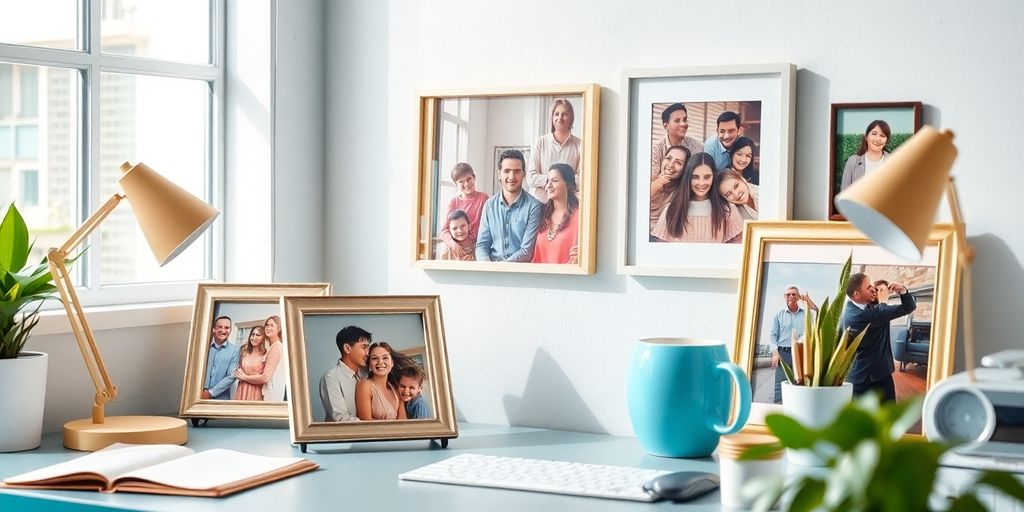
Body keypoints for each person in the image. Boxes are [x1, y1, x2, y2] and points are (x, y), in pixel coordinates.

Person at [842, 273, 916, 401]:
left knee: (890, 415)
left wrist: (902, 290)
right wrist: (883, 300)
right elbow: (880, 312)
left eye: (874, 287)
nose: (873, 289)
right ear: (857, 295)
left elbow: (909, 307)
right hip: (860, 377)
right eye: (869, 287)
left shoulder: (875, 308)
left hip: (882, 374)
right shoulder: (855, 315)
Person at [651, 152, 744, 243]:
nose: (701, 183)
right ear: (688, 178)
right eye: (695, 177)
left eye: (707, 177)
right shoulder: (671, 210)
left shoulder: (727, 209)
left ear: (713, 177)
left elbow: (738, 247)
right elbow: (662, 251)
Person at [476, 148, 544, 262]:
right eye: (507, 171)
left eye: (517, 171)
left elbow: (527, 252)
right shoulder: (489, 205)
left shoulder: (534, 207)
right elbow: (482, 245)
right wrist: (487, 268)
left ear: (524, 174)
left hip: (519, 274)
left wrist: (499, 269)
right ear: (499, 174)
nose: (511, 177)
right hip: (490, 271)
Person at [768, 286, 817, 404]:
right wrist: (775, 353)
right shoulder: (778, 315)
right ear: (785, 297)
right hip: (783, 354)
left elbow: (819, 314)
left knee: (801, 386)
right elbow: (773, 336)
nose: (791, 296)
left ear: (799, 297)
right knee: (780, 388)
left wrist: (808, 302)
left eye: (794, 294)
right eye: (788, 294)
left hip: (801, 353)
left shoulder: (807, 314)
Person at [528, 98, 582, 202]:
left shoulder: (580, 145)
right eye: (556, 114)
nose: (560, 118)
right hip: (540, 204)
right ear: (552, 117)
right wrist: (561, 181)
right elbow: (531, 178)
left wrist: (548, 180)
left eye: (564, 114)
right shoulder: (540, 142)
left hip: (567, 205)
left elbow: (581, 179)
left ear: (571, 117)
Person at [319, 325, 371, 422]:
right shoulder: (331, 378)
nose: (367, 353)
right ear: (347, 348)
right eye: (364, 348)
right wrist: (374, 426)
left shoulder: (367, 374)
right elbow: (341, 418)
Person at [438, 163, 488, 260]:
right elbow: (444, 231)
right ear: (456, 184)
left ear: (474, 177)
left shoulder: (483, 198)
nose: (466, 184)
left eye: (469, 179)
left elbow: (487, 228)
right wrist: (453, 245)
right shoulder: (454, 202)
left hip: (476, 248)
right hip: (455, 248)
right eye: (461, 181)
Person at [531, 163, 579, 264]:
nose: (548, 186)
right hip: (540, 277)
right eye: (548, 181)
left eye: (555, 181)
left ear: (568, 185)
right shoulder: (542, 215)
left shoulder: (580, 217)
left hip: (568, 277)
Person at [355, 342, 408, 421]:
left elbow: (404, 422)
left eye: (385, 357)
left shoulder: (395, 389)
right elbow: (365, 421)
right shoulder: (365, 385)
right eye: (374, 358)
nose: (380, 362)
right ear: (369, 364)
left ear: (392, 363)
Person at [650, 103, 703, 180]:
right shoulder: (656, 150)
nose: (683, 124)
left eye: (685, 120)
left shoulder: (696, 146)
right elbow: (652, 185)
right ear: (666, 126)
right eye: (677, 121)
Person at [840, 120, 891, 191]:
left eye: (882, 136)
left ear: (886, 141)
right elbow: (844, 193)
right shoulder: (853, 161)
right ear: (866, 137)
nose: (878, 139)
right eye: (874, 134)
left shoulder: (894, 161)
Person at [649, 145, 690, 235]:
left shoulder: (681, 191)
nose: (670, 165)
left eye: (678, 163)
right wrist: (659, 182)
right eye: (668, 158)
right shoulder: (649, 180)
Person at [202, 316, 238, 400]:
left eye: (227, 328)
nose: (223, 330)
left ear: (230, 330)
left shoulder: (235, 350)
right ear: (214, 328)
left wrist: (211, 392)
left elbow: (232, 375)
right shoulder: (203, 347)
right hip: (197, 395)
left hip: (221, 398)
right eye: (219, 327)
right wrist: (203, 389)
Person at [233, 326, 268, 401]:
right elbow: (237, 370)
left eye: (258, 335)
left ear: (263, 338)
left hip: (256, 391)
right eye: (252, 334)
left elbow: (264, 378)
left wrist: (244, 377)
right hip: (241, 389)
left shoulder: (266, 354)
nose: (253, 337)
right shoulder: (243, 351)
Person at [260, 315, 287, 401]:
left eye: (272, 325)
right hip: (270, 391)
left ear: (279, 329)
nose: (268, 328)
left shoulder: (277, 347)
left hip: (272, 393)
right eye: (267, 325)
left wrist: (244, 377)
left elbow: (265, 377)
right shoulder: (272, 346)